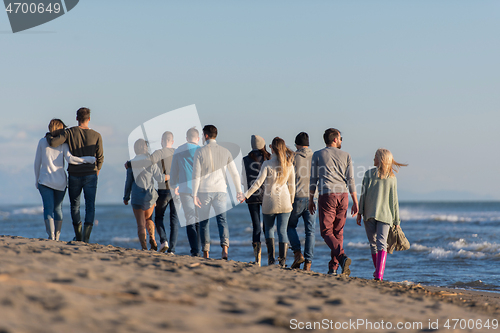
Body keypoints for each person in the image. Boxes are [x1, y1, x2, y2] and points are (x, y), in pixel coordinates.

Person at [45, 107, 104, 243]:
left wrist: (48, 135)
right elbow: (100, 157)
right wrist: (97, 171)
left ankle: (78, 237)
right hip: (91, 174)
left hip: (74, 175)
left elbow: (53, 142)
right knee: (90, 205)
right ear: (89, 119)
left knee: (74, 206)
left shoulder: (70, 132)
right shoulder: (97, 135)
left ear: (76, 118)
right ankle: (86, 238)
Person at [34, 119, 96, 240]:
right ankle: (57, 237)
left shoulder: (42, 142)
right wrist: (89, 159)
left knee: (48, 208)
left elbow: (37, 163)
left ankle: (50, 236)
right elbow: (71, 159)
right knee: (58, 209)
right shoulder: (64, 144)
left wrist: (36, 180)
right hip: (60, 182)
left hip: (45, 180)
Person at [238, 137, 295, 267]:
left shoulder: (267, 164)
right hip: (286, 202)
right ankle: (282, 262)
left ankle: (271, 260)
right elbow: (292, 186)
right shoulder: (289, 165)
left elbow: (258, 183)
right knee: (282, 231)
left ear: (272, 149)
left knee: (269, 229)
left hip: (269, 202)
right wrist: (291, 202)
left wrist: (246, 195)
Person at [309, 128, 358, 276]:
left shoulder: (317, 155)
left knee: (326, 232)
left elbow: (313, 179)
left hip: (327, 194)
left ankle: (341, 258)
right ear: (335, 139)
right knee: (338, 232)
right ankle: (333, 267)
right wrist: (356, 201)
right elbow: (351, 180)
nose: (342, 140)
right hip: (343, 195)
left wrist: (311, 198)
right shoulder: (346, 155)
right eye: (341, 138)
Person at [192, 125, 243, 260]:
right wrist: (239, 191)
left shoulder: (199, 152)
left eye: (203, 135)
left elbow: (196, 175)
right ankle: (225, 251)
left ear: (206, 135)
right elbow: (235, 174)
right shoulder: (225, 151)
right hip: (221, 190)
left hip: (204, 191)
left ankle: (206, 253)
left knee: (204, 223)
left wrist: (194, 194)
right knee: (222, 220)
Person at [357, 148, 407, 280]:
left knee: (373, 244)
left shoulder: (368, 174)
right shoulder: (392, 178)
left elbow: (363, 195)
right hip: (386, 215)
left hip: (369, 214)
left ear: (381, 159)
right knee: (381, 243)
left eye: (375, 157)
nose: (373, 159)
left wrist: (359, 212)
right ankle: (379, 274)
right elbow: (394, 201)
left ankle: (378, 272)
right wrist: (396, 220)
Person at [123, 139, 166, 250]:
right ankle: (152, 238)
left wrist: (126, 197)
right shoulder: (150, 161)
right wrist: (168, 176)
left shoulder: (132, 163)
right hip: (150, 196)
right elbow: (159, 178)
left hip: (137, 197)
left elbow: (128, 182)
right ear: (146, 148)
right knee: (149, 220)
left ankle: (144, 248)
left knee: (140, 224)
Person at [169, 127, 201, 256]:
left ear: (187, 138)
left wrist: (174, 184)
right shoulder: (202, 150)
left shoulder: (179, 150)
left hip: (185, 189)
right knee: (200, 219)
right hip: (200, 190)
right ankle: (201, 249)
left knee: (190, 219)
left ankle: (195, 251)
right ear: (198, 139)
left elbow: (174, 170)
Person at [287, 132, 315, 271]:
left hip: (296, 197)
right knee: (310, 231)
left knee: (289, 226)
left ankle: (298, 254)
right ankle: (308, 264)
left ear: (297, 144)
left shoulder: (293, 157)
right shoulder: (315, 156)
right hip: (312, 198)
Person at [241, 135, 271, 266]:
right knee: (268, 227)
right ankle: (271, 258)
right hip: (267, 196)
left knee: (256, 226)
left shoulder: (245, 160)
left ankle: (257, 259)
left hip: (251, 196)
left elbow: (242, 179)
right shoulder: (269, 158)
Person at [147, 131, 178, 254]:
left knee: (159, 217)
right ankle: (172, 250)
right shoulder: (177, 153)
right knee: (174, 221)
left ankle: (164, 241)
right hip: (177, 190)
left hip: (163, 189)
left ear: (162, 141)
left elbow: (146, 164)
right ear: (172, 141)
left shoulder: (158, 153)